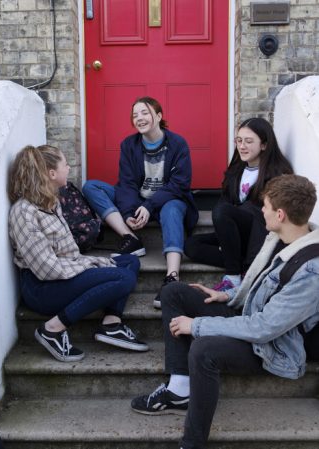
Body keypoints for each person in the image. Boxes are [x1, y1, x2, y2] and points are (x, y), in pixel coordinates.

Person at [131, 174, 319, 449]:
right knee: (174, 292)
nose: (261, 210)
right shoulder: (282, 238)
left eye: (265, 206)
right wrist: (227, 294)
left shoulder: (311, 270)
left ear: (280, 214)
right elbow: (262, 286)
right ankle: (180, 388)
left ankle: (192, 443)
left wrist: (196, 325)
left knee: (203, 349)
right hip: (251, 318)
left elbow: (264, 328)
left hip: (273, 347)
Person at [8, 145, 149, 363]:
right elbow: (48, 269)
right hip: (42, 288)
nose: (69, 167)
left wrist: (95, 263)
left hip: (65, 273)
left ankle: (111, 324)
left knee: (129, 261)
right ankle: (52, 329)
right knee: (123, 276)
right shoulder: (24, 212)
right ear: (52, 174)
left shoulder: (51, 203)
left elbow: (71, 255)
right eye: (65, 163)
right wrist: (94, 265)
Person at [83, 97, 198, 308]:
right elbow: (126, 184)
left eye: (144, 113)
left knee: (171, 210)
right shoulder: (129, 145)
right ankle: (130, 237)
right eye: (135, 115)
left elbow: (179, 184)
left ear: (159, 116)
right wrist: (128, 214)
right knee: (91, 186)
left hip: (168, 201)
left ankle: (172, 277)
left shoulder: (177, 144)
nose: (139, 118)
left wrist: (149, 206)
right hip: (138, 201)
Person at [184, 117, 293, 291]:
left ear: (264, 145)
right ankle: (239, 262)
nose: (242, 146)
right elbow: (227, 201)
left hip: (258, 234)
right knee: (191, 246)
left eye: (249, 141)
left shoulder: (277, 173)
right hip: (235, 235)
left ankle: (233, 276)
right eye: (239, 141)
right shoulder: (236, 170)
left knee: (222, 210)